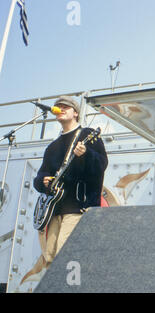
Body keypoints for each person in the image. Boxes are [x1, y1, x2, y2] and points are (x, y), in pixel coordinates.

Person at [20, 96, 108, 284]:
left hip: (78, 207)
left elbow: (101, 165)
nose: (61, 109)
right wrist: (42, 181)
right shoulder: (53, 147)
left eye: (65, 106)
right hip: (54, 210)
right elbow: (39, 177)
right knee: (50, 255)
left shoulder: (88, 135)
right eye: (58, 107)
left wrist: (86, 154)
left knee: (66, 253)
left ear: (75, 112)